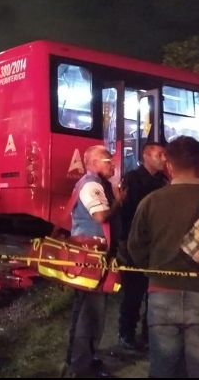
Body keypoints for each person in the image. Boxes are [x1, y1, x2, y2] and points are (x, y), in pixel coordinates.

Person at [129, 136, 199, 378]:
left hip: (162, 294)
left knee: (163, 369)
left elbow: (135, 248)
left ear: (169, 166)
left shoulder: (151, 202)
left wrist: (154, 270)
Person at [65, 145, 124, 378]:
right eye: (108, 161)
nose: (113, 165)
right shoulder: (92, 184)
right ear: (94, 163)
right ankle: (82, 366)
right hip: (92, 258)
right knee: (91, 313)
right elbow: (100, 216)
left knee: (87, 310)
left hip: (90, 257)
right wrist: (119, 201)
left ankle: (82, 358)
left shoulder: (92, 183)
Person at [117, 142, 167, 350]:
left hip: (157, 245)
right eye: (159, 155)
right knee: (134, 292)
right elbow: (127, 212)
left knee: (154, 294)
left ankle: (149, 335)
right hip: (136, 244)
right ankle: (126, 333)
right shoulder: (133, 179)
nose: (164, 159)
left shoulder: (164, 181)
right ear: (146, 156)